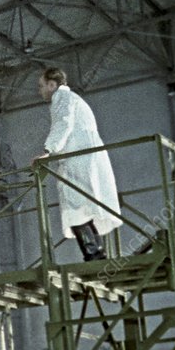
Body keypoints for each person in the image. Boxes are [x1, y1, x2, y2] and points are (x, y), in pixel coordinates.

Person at [34, 68, 122, 261]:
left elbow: (63, 124)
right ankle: (97, 253)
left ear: (52, 84)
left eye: (41, 86)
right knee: (81, 207)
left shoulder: (62, 98)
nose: (39, 91)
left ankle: (94, 254)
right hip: (83, 157)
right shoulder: (73, 99)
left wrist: (48, 151)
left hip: (78, 159)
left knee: (75, 208)